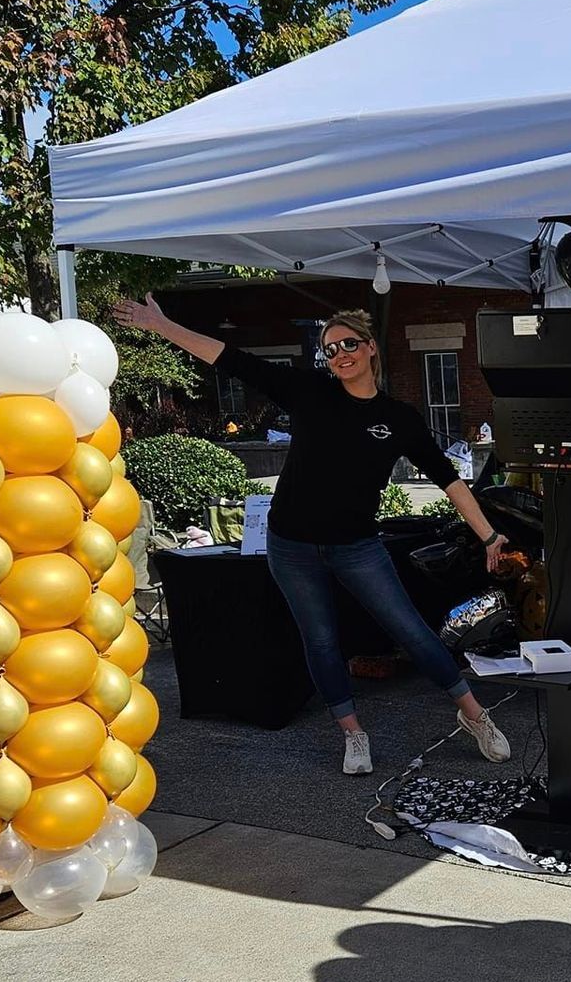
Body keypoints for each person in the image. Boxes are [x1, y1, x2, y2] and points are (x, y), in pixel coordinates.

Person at [110, 294, 512, 775]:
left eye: (348, 344)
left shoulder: (399, 418)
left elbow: (449, 480)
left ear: (370, 349)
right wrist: (162, 325)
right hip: (291, 546)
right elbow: (229, 358)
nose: (339, 354)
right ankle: (353, 734)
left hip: (358, 547)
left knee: (412, 631)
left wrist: (489, 537)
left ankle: (474, 715)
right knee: (320, 640)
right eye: (330, 349)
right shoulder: (309, 391)